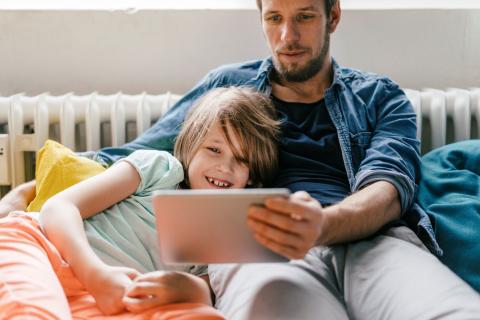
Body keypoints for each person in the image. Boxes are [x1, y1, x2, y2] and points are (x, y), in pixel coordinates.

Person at [2, 0, 480, 319]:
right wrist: (36, 187)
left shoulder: (381, 97)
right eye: (274, 18)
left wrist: (323, 225)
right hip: (252, 243)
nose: (287, 36)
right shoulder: (226, 87)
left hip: (373, 239)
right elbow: (143, 150)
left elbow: (391, 186)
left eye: (305, 17)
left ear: (333, 16)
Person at [0, 87, 280, 319]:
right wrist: (95, 275)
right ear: (191, 146)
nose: (224, 167)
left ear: (253, 176)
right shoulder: (161, 169)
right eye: (214, 150)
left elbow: (211, 292)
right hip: (45, 251)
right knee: (31, 311)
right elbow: (59, 207)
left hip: (117, 296)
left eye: (242, 160)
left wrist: (191, 289)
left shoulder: (229, 239)